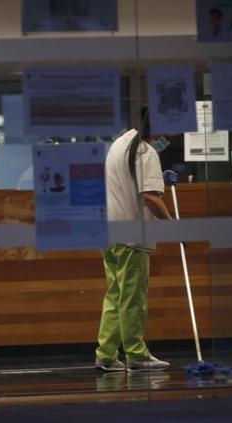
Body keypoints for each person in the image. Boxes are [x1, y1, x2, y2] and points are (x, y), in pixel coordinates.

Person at [95, 114, 178, 372]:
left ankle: (106, 354)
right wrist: (174, 225)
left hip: (110, 233)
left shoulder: (120, 143)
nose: (167, 141)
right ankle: (136, 355)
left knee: (115, 296)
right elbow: (150, 198)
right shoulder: (145, 151)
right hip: (133, 236)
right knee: (132, 299)